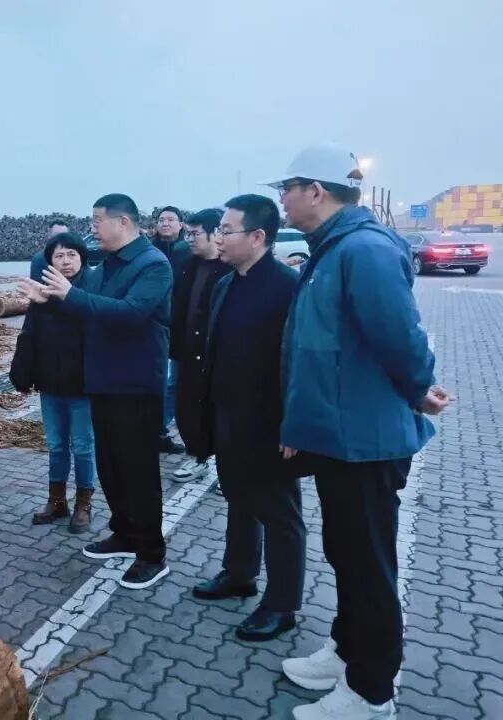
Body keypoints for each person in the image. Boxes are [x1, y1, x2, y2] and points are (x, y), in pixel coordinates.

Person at [266, 144, 451, 720]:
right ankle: (347, 652)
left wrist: (418, 388)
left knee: (368, 567)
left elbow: (400, 336)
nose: (282, 200)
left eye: (286, 189)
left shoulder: (364, 250)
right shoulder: (334, 248)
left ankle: (371, 691)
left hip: (365, 442)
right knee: (346, 554)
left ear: (315, 191)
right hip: (339, 436)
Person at [20, 194, 172, 590]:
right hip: (102, 382)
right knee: (112, 466)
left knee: (139, 472)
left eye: (97, 221)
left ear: (123, 222)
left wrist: (69, 295)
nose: (92, 229)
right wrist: (46, 304)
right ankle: (124, 533)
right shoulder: (106, 266)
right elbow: (84, 313)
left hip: (135, 385)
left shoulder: (152, 265)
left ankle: (151, 553)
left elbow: (130, 313)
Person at [191, 195, 306, 643]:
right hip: (227, 414)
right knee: (239, 498)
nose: (218, 237)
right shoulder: (227, 283)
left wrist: (295, 424)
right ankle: (239, 574)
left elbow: (301, 362)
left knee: (280, 514)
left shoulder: (287, 287)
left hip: (271, 423)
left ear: (258, 237)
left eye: (227, 230)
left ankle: (282, 604)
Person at [10, 231, 95, 532]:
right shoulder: (42, 294)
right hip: (50, 384)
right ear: (50, 262)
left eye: (72, 254)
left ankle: (84, 502)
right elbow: (29, 337)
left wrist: (61, 300)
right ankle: (57, 500)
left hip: (83, 386)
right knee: (56, 445)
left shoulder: (92, 291)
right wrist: (23, 376)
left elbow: (95, 328)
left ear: (82, 258)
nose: (66, 261)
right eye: (59, 256)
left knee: (83, 446)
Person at [169, 208, 233, 482]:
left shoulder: (230, 268)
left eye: (195, 234)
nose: (190, 240)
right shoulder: (187, 263)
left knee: (219, 410)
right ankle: (197, 455)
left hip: (217, 356)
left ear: (214, 233)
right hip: (186, 352)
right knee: (187, 408)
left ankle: (226, 466)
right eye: (188, 233)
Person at [153, 206, 192, 455]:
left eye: (170, 219)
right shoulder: (149, 251)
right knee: (155, 382)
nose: (165, 223)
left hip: (180, 328)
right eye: (161, 219)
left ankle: (160, 428)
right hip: (154, 328)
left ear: (181, 225)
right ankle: (153, 429)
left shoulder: (188, 252)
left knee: (174, 383)